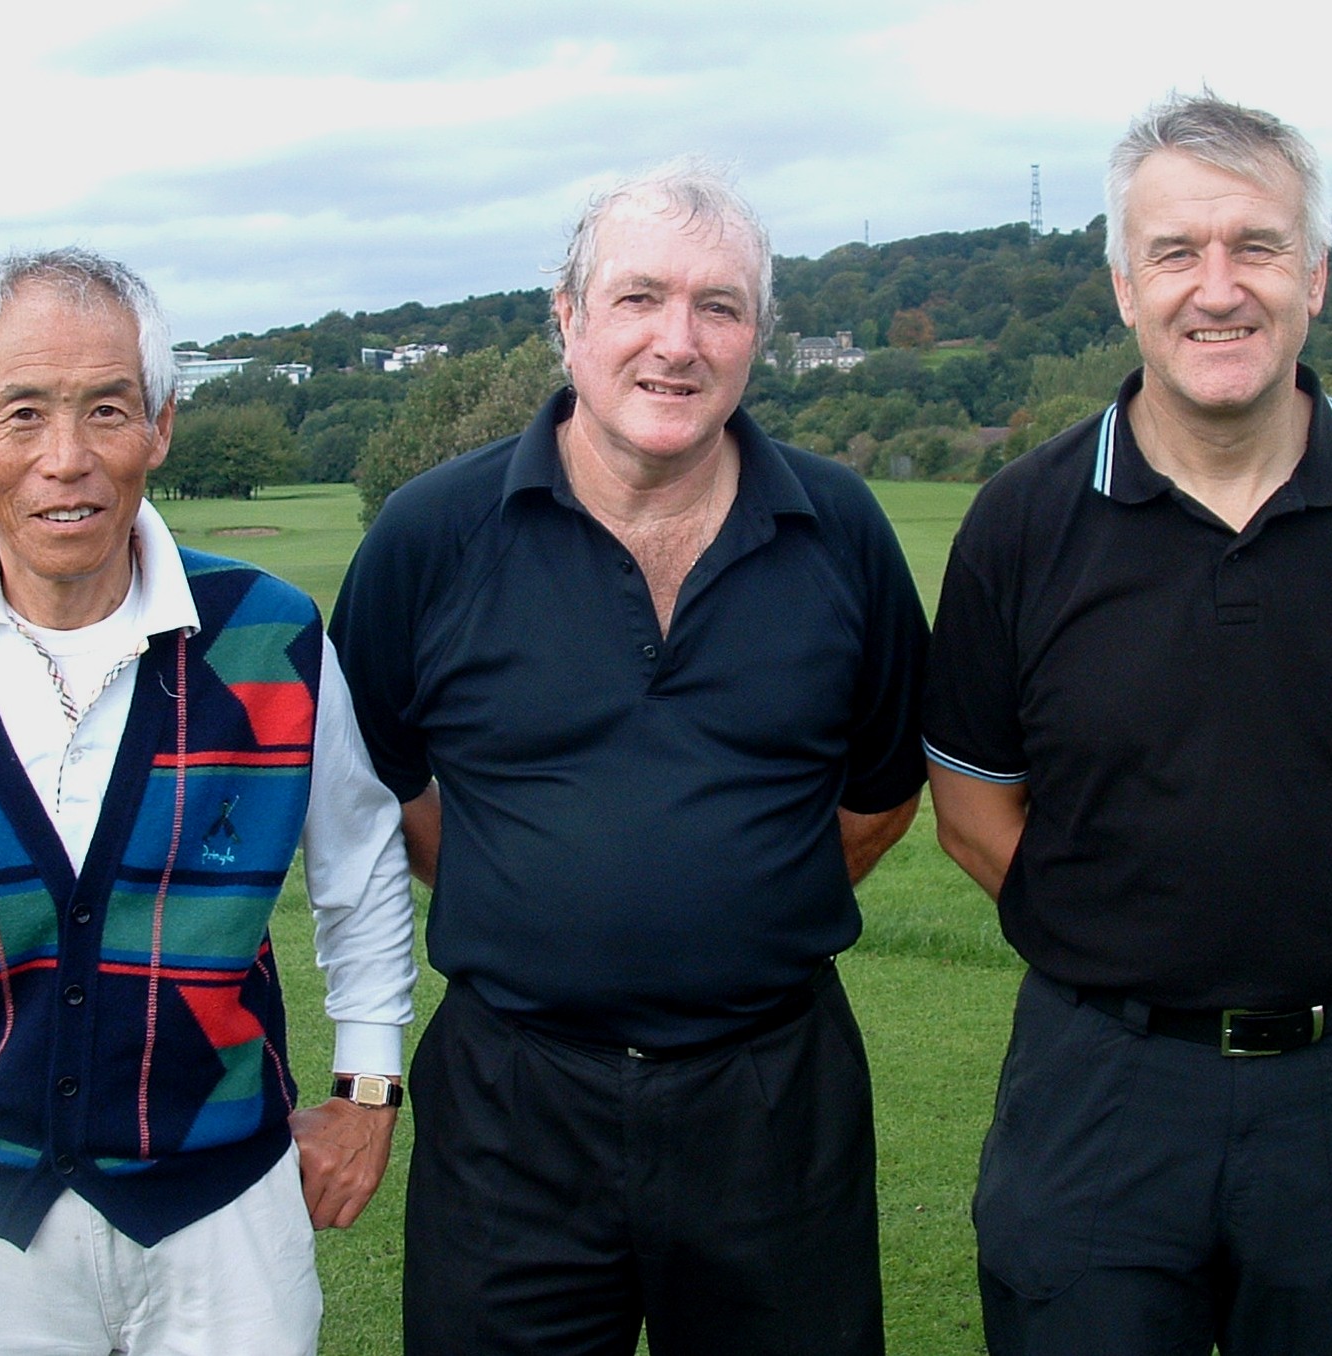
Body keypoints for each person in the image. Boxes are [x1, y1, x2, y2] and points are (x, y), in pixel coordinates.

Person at [923, 93, 1332, 1356]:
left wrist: (1318, 934)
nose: (1218, 288)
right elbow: (975, 818)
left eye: (1257, 245)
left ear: (1314, 276)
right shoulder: (1021, 523)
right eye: (1175, 252)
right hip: (1097, 1094)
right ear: (1123, 287)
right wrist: (1134, 949)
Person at [0, 247, 415, 1355]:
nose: (67, 459)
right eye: (23, 413)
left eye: (106, 409)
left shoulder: (270, 636)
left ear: (160, 426)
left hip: (221, 1212)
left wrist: (369, 1086)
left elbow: (362, 859)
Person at [331, 160, 928, 1355]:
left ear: (758, 336)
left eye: (719, 307)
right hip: (512, 1111)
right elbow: (374, 789)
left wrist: (737, 902)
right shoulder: (431, 537)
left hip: (773, 1103)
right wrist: (527, 886)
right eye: (639, 297)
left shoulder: (842, 530)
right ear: (568, 319)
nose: (678, 342)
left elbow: (879, 793)